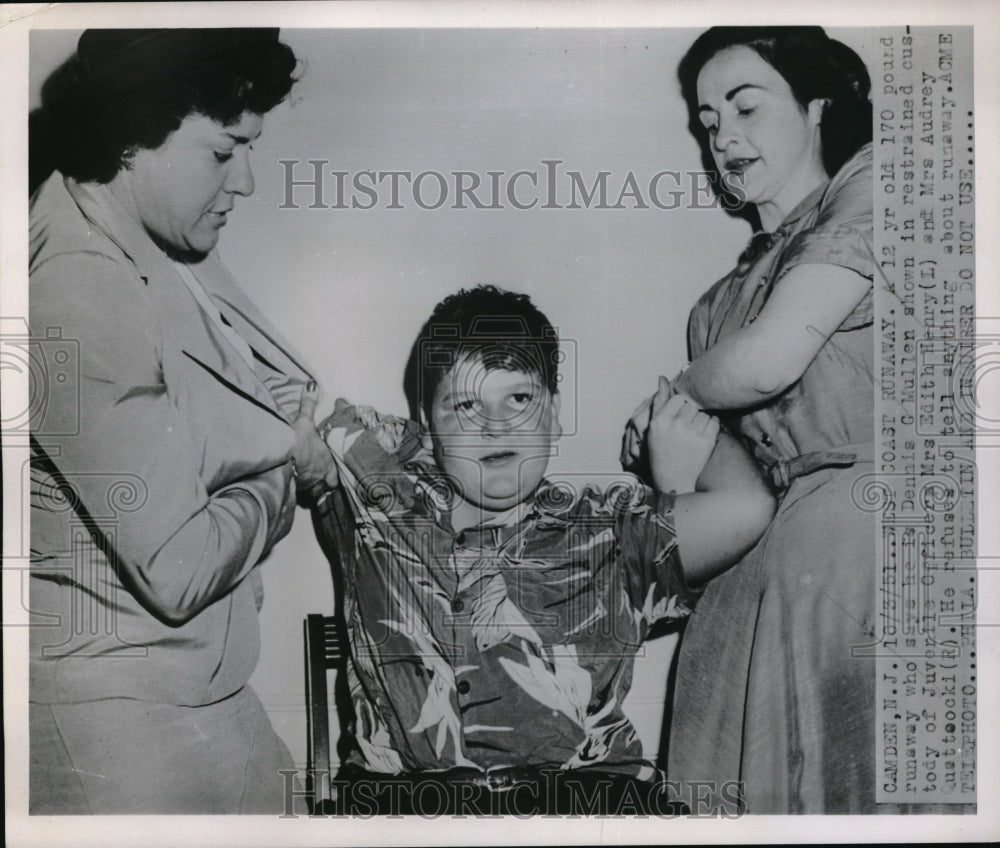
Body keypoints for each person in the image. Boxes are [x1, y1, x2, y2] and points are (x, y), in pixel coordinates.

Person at [312, 285, 774, 815]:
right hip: (407, 812)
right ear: (428, 420)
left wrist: (670, 419)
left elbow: (746, 507)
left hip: (583, 808)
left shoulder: (615, 529)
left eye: (520, 399)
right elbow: (318, 433)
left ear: (554, 415)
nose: (496, 424)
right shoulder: (374, 493)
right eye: (464, 405)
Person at [28, 29, 338, 814]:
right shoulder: (74, 284)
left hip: (191, 693)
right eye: (223, 152)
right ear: (135, 136)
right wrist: (286, 468)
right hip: (124, 727)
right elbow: (179, 566)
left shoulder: (151, 236)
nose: (248, 181)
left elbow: (255, 381)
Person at [623, 27, 876, 813]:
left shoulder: (877, 185)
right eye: (707, 121)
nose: (723, 136)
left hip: (864, 553)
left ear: (817, 108)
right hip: (750, 592)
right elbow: (730, 493)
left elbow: (770, 362)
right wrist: (673, 475)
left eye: (744, 105)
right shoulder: (715, 309)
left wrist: (673, 396)